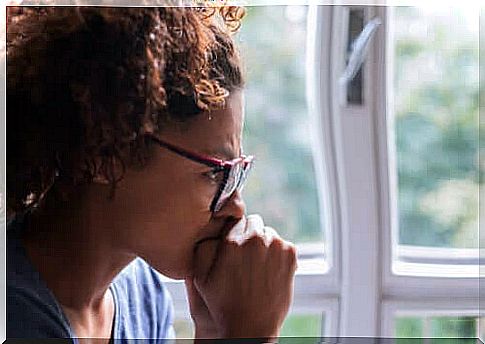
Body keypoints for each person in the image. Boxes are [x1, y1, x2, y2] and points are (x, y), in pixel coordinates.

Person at [6, 5, 297, 343]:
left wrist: (216, 332)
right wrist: (250, 335)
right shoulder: (16, 320)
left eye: (237, 174)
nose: (236, 208)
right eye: (215, 173)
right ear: (107, 152)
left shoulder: (142, 293)